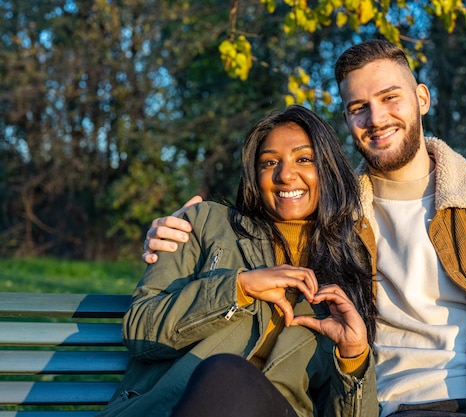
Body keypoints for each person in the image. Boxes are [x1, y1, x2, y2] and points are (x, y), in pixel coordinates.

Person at [143, 40, 466, 417]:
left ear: (421, 98)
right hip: (377, 409)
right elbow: (259, 212)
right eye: (358, 107)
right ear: (347, 120)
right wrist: (178, 227)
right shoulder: (336, 216)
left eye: (390, 98)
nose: (376, 119)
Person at [98, 105, 379, 417]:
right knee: (226, 374)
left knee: (230, 376)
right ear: (254, 176)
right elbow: (141, 329)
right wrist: (238, 287)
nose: (285, 175)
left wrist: (353, 355)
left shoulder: (347, 269)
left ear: (328, 168)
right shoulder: (204, 224)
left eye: (304, 159)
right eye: (269, 162)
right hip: (173, 408)